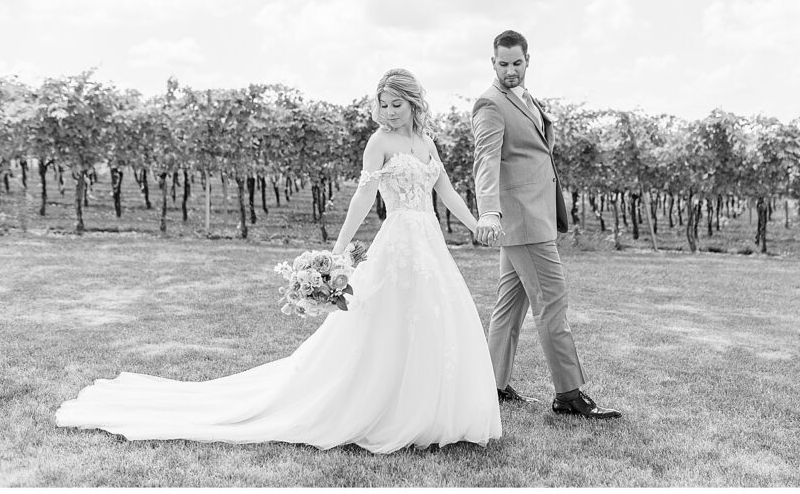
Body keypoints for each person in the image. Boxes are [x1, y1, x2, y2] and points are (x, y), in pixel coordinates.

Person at [55, 69, 501, 453]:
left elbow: (444, 191)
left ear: (414, 103)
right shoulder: (378, 142)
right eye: (383, 104)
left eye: (396, 104)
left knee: (432, 320)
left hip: (429, 243)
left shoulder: (426, 143)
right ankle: (384, 407)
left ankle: (428, 408)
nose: (388, 112)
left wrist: (476, 222)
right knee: (387, 324)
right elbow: (364, 196)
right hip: (398, 243)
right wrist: (339, 251)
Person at [472, 30, 621, 419]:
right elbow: (486, 161)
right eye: (502, 64)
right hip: (521, 220)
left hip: (532, 216)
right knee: (552, 302)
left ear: (527, 60)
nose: (509, 70)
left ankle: (491, 385)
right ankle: (568, 395)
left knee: (510, 305)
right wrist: (489, 210)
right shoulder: (489, 104)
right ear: (492, 63)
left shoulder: (527, 99)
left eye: (516, 63)